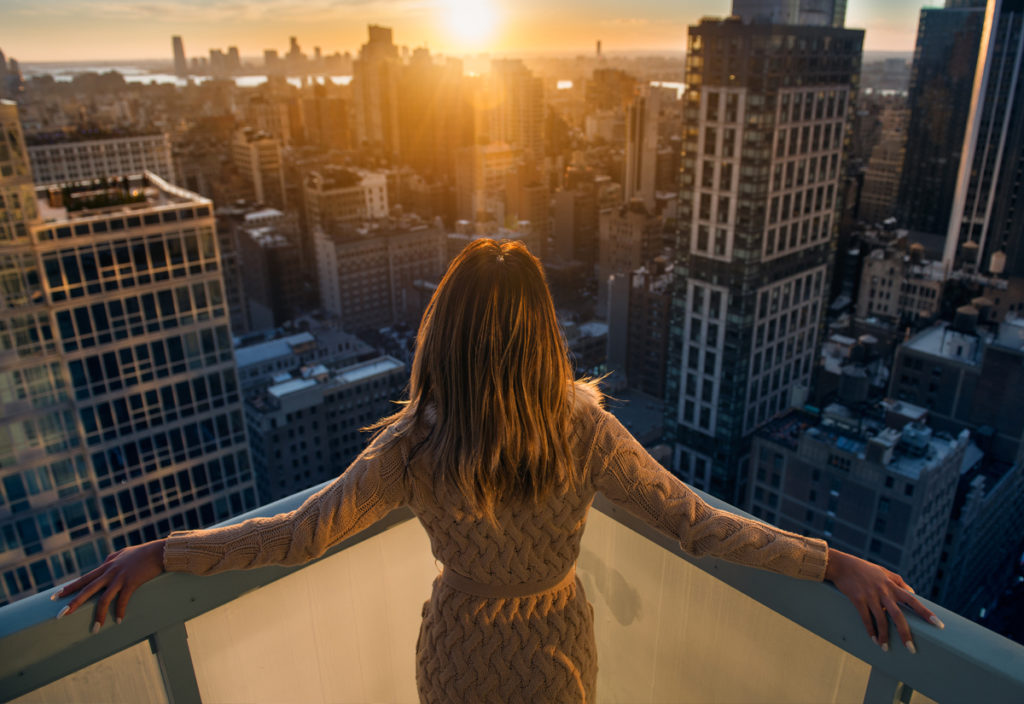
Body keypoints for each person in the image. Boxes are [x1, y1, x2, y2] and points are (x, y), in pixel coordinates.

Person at [54, 239, 943, 702]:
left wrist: (163, 554)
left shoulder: (414, 444)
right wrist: (834, 561)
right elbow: (699, 524)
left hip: (456, 654)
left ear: (448, 330)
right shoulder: (583, 430)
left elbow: (295, 536)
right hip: (552, 655)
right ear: (539, 332)